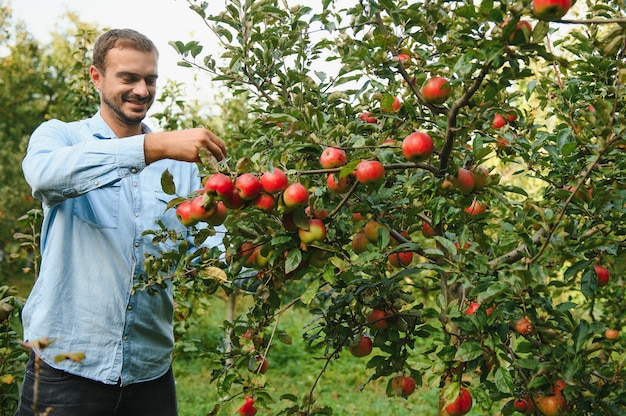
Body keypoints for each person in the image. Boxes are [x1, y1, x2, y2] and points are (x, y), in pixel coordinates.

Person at [15, 28, 227, 416]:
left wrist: (265, 239)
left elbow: (206, 250)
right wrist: (153, 146)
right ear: (96, 77)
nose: (142, 91)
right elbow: (44, 176)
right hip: (67, 370)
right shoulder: (61, 136)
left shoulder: (180, 169)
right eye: (128, 78)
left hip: (150, 374)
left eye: (150, 79)